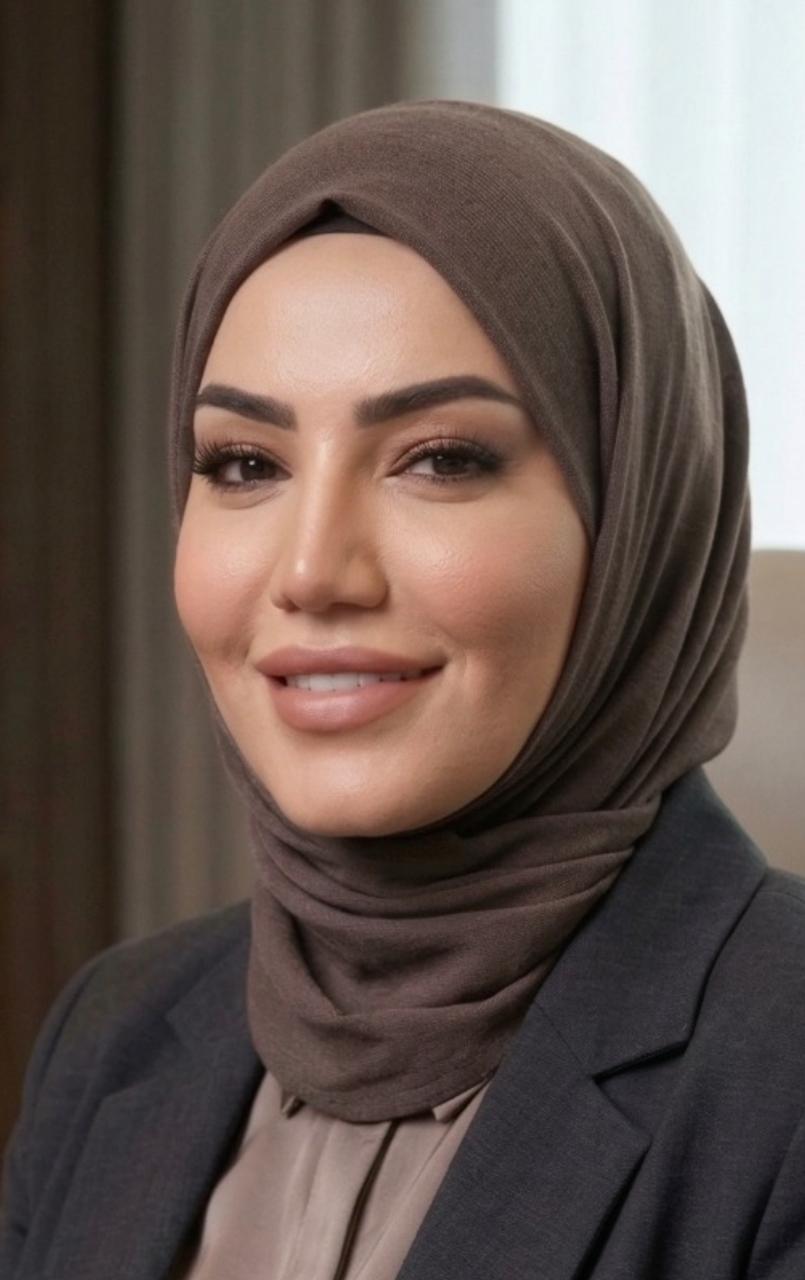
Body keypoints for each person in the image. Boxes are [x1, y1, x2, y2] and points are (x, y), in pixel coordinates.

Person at [2, 98, 804, 1280]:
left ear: (641, 519)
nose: (313, 569)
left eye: (441, 458)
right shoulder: (113, 1032)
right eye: (245, 463)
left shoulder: (780, 1071)